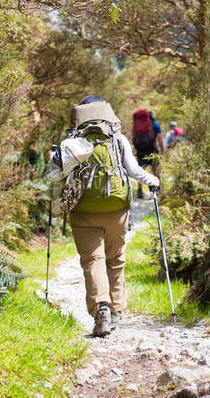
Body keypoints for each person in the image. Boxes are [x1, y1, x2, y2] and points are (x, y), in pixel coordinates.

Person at [47, 95, 159, 337]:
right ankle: (117, 309)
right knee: (115, 258)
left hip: (83, 209)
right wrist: (153, 181)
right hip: (116, 207)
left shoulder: (71, 141)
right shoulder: (117, 139)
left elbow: (54, 176)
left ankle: (102, 310)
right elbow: (133, 170)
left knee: (92, 260)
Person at [132, 109, 161, 198]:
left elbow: (133, 137)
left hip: (140, 151)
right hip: (152, 150)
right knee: (155, 170)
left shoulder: (137, 126)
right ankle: (157, 191)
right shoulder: (155, 125)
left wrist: (135, 151)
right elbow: (160, 138)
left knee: (141, 170)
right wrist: (162, 150)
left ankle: (139, 190)